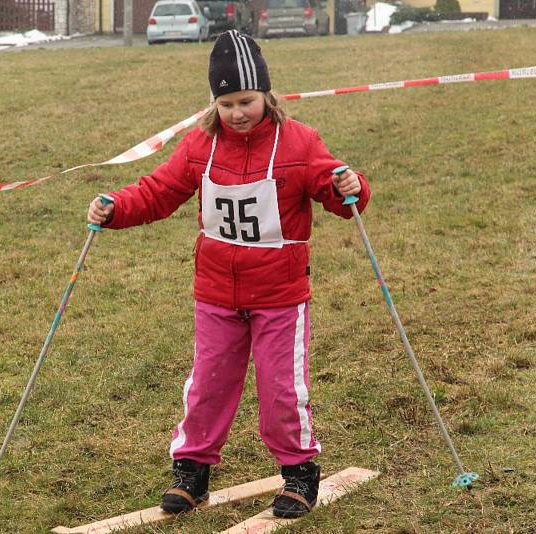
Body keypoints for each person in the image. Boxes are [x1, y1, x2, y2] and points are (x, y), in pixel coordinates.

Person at [87, 30, 370, 518]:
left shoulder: (299, 142)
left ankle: (299, 473)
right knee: (208, 385)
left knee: (282, 388)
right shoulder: (200, 144)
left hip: (280, 293)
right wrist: (115, 209)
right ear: (213, 103)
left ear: (267, 95)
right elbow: (159, 191)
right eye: (226, 103)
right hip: (216, 292)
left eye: (247, 100)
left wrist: (350, 184)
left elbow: (338, 194)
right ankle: (192, 473)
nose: (238, 112)